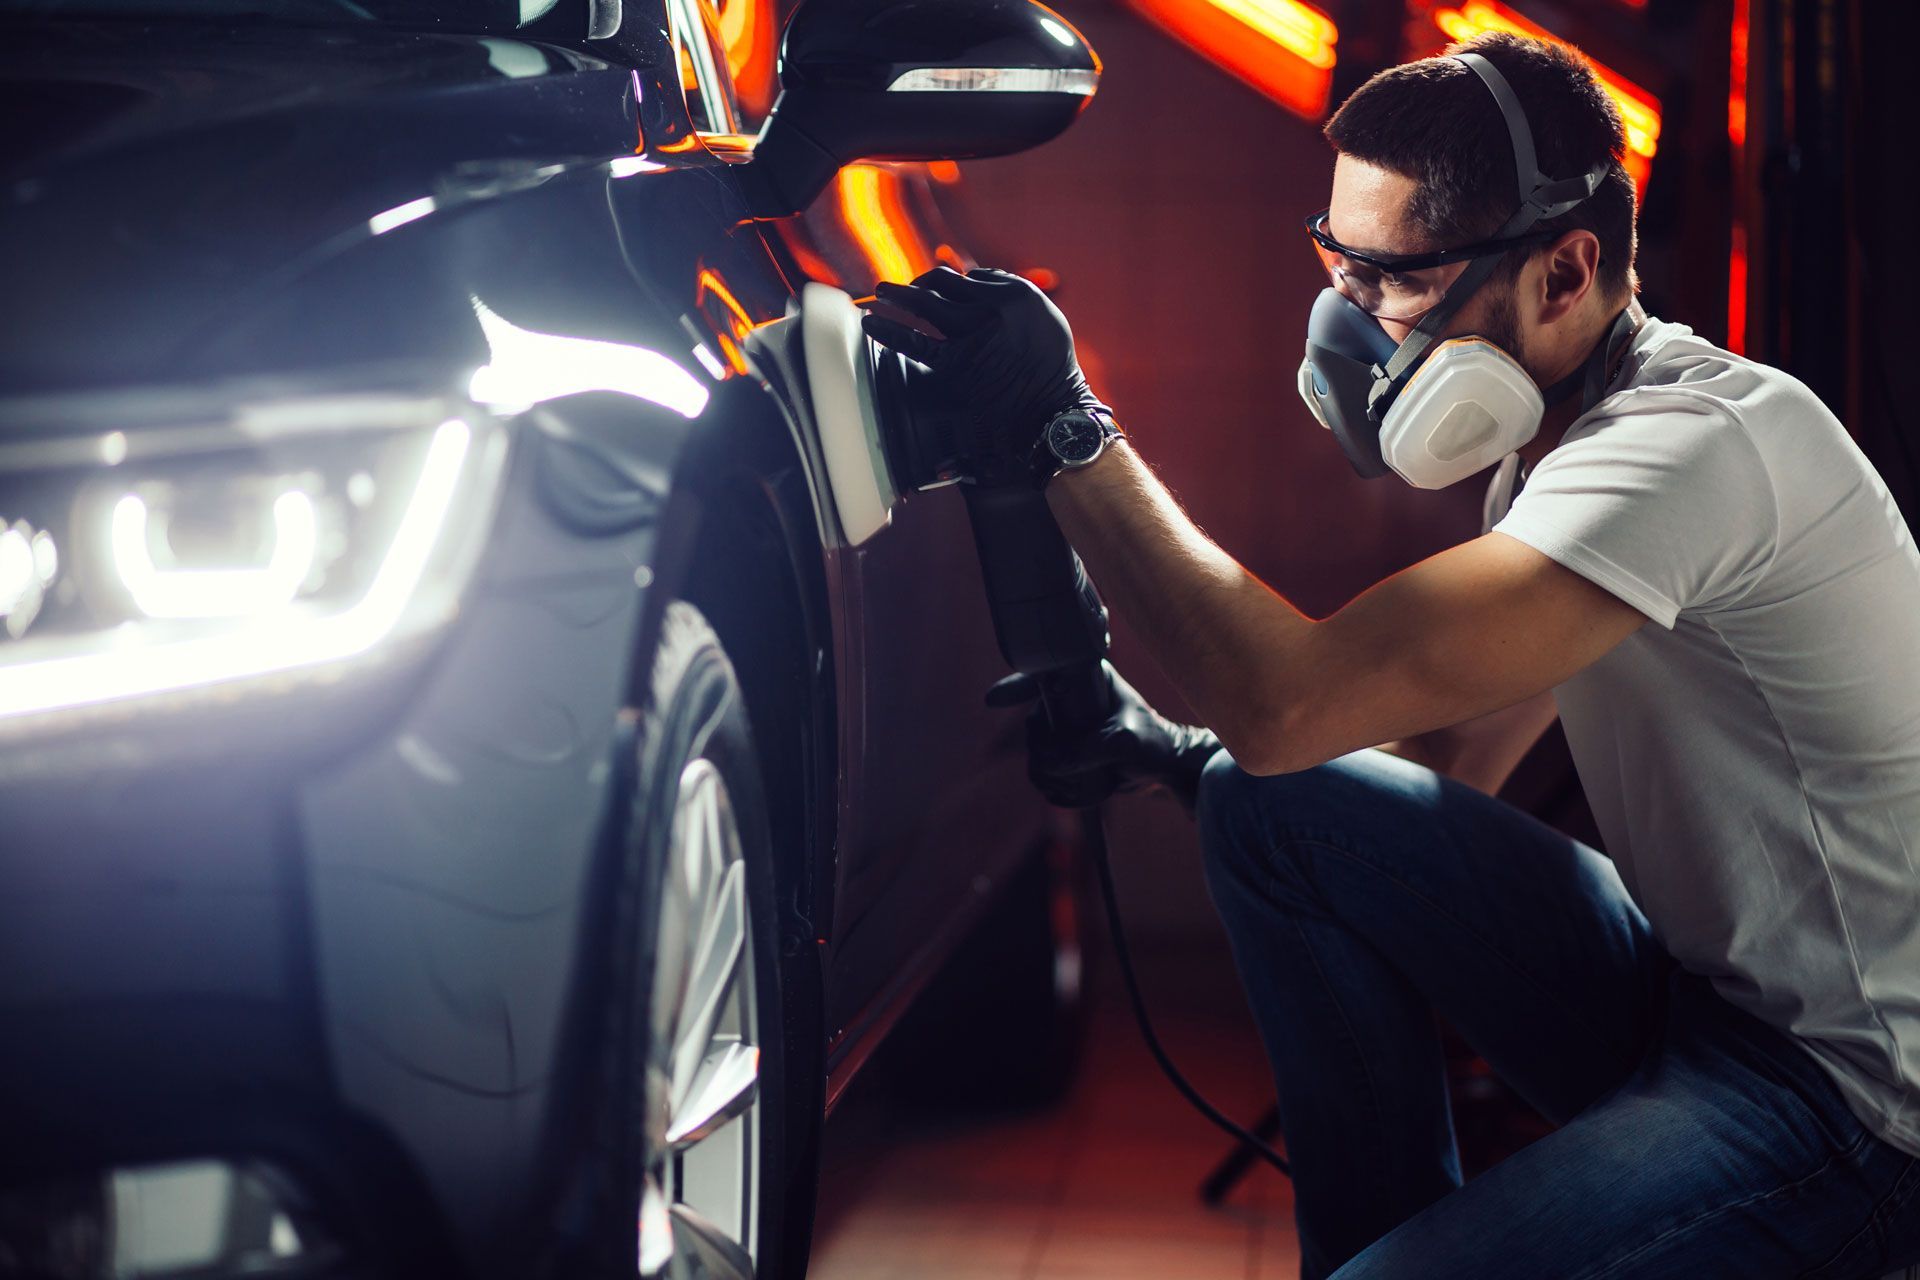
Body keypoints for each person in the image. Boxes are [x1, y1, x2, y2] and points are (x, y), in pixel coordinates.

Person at [861, 29, 1920, 1280]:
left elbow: (1292, 696)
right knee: (1269, 803)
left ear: (1565, 272)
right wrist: (1186, 760)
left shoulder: (1697, 449)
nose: (1349, 327)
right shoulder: (1553, 458)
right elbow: (1432, 765)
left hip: (1856, 1104)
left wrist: (1066, 425)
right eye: (1341, 271)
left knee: (1276, 754)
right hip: (1702, 1000)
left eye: (1394, 282)